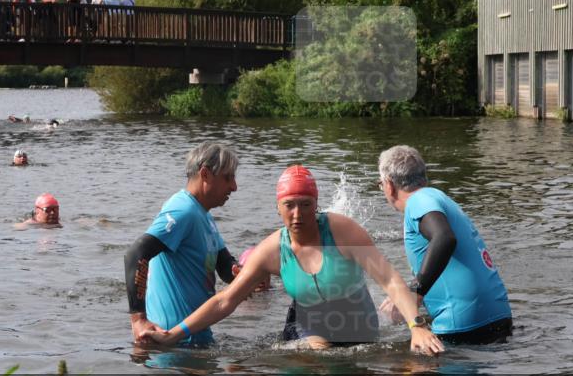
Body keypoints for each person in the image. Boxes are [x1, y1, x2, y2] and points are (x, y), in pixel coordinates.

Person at [139, 165, 445, 355]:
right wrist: (173, 336)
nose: (297, 214)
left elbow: (389, 279)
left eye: (305, 205)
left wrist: (416, 326)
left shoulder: (343, 232)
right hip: (309, 327)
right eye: (289, 206)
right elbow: (226, 301)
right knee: (315, 358)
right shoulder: (272, 249)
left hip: (358, 325)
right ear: (278, 208)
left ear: (316, 205)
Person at [377, 146, 513, 344]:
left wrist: (415, 291)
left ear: (389, 185)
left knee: (401, 372)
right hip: (498, 315)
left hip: (463, 324)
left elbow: (444, 238)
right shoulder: (437, 198)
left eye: (379, 184)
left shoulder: (418, 201)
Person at [124, 142, 241, 347]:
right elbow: (136, 254)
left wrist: (243, 272)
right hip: (170, 343)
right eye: (228, 177)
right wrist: (138, 320)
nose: (234, 186)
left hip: (194, 340)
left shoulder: (204, 215)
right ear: (205, 174)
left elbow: (224, 265)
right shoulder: (183, 210)